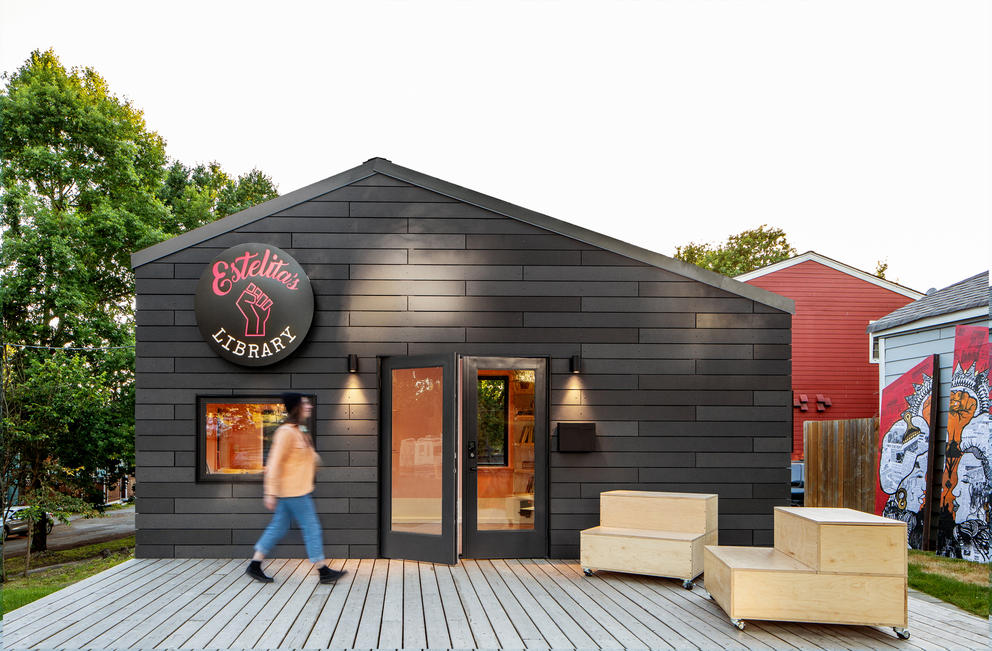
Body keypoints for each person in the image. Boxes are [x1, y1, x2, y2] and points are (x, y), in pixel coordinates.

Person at [246, 393, 346, 584]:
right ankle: (323, 570)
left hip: (295, 489)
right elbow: (274, 463)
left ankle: (255, 564)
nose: (309, 406)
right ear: (296, 407)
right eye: (305, 404)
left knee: (279, 526)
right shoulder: (286, 432)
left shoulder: (299, 429)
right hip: (294, 491)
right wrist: (269, 492)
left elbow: (306, 457)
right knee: (312, 527)